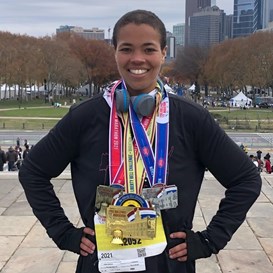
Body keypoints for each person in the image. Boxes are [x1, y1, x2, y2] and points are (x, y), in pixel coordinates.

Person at [18, 9, 261, 273]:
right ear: (115, 53)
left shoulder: (191, 119)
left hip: (169, 264)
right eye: (126, 49)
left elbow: (246, 180)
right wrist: (63, 233)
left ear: (163, 52)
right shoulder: (85, 117)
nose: (137, 59)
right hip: (101, 262)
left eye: (148, 49)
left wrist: (210, 240)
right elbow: (33, 172)